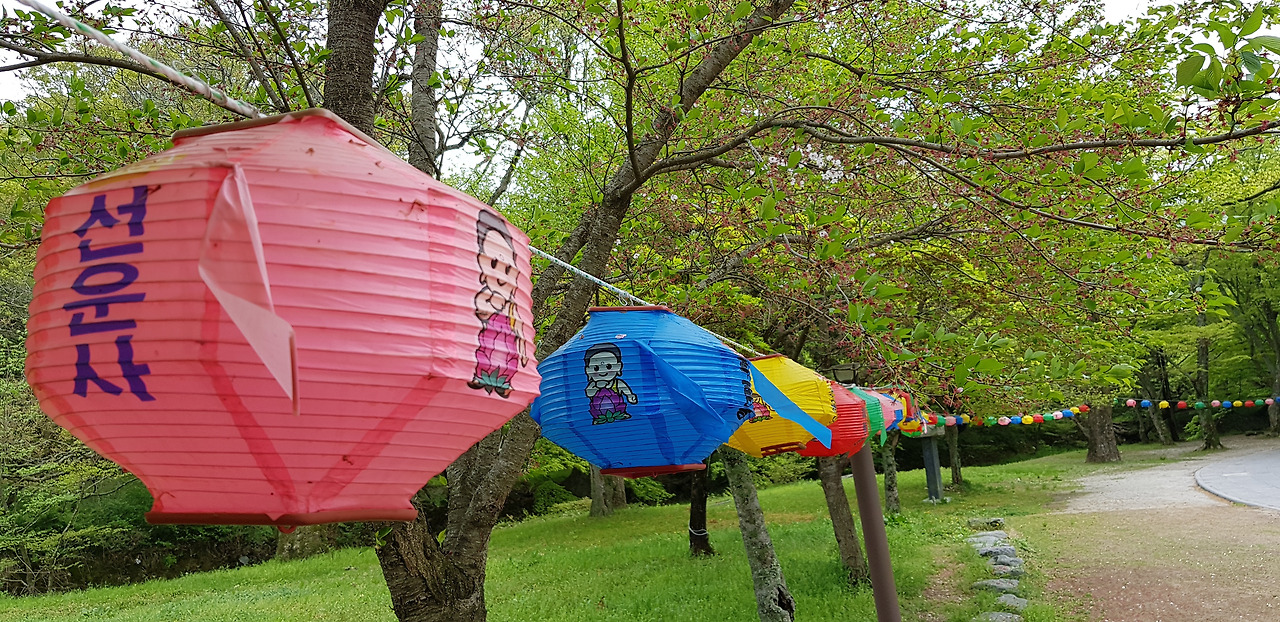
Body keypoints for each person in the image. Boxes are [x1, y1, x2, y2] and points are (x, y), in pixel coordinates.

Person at [467, 210, 527, 398]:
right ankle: (481, 376)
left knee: (510, 357)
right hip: (490, 333)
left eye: (507, 268)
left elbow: (519, 325)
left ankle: (505, 382)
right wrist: (489, 302)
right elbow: (480, 310)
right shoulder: (487, 293)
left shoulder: (512, 305)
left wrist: (522, 347)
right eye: (493, 264)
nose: (501, 274)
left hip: (508, 337)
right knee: (484, 352)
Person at [583, 342, 637, 424]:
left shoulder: (617, 383)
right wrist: (598, 387)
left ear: (618, 366)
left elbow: (625, 390)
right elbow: (589, 393)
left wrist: (630, 395)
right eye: (596, 368)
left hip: (618, 411)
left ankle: (622, 414)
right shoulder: (593, 385)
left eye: (608, 366)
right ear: (588, 370)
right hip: (599, 413)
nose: (602, 371)